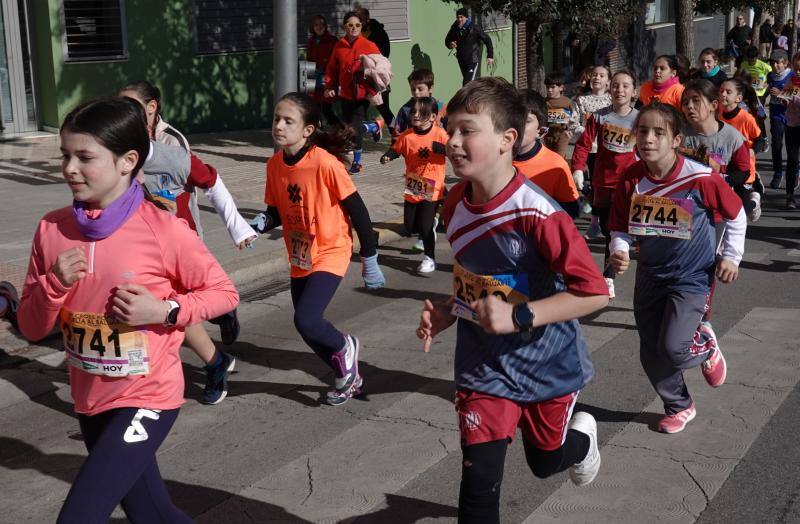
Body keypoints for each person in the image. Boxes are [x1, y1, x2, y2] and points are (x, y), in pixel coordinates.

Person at [16, 96, 239, 522]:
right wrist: (54, 284)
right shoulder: (51, 229)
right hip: (90, 397)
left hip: (149, 396)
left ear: (127, 160)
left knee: (78, 516)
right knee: (151, 513)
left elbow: (224, 293)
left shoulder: (163, 230)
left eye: (84, 157)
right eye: (65, 155)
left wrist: (165, 310)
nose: (69, 169)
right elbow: (30, 326)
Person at [417, 77, 608, 524]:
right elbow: (477, 279)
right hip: (483, 365)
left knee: (546, 462)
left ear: (506, 140)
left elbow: (594, 293)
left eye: (467, 130)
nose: (453, 141)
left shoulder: (538, 212)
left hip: (548, 364)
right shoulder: (454, 204)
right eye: (450, 130)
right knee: (478, 484)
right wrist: (449, 312)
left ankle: (581, 440)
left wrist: (520, 314)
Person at [608, 102, 746, 434]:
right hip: (651, 274)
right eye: (642, 131)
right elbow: (618, 226)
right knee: (650, 349)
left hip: (692, 275)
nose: (649, 139)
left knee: (674, 346)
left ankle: (705, 342)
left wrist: (731, 256)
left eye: (659, 133)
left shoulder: (700, 178)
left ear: (676, 139)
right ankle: (679, 405)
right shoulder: (631, 179)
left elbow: (736, 213)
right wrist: (620, 249)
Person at [119, 80, 255, 405]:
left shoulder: (173, 151)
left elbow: (211, 180)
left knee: (173, 311)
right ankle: (214, 354)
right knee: (169, 311)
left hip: (181, 246)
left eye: (130, 107)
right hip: (141, 250)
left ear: (151, 108)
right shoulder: (114, 155)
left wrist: (239, 228)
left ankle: (215, 352)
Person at [255, 92, 386, 405]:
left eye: (289, 121)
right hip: (300, 253)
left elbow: (359, 211)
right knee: (306, 327)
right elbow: (274, 210)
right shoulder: (275, 165)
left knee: (307, 320)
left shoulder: (325, 164)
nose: (279, 125)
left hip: (332, 249)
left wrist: (369, 257)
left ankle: (344, 348)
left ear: (307, 130)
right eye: (277, 119)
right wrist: (255, 225)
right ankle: (347, 375)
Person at [572, 70, 640, 299]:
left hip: (628, 184)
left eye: (625, 86)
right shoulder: (600, 116)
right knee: (605, 228)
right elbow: (583, 145)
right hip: (603, 181)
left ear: (634, 92)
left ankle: (608, 276)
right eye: (616, 86)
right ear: (610, 89)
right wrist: (578, 169)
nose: (620, 90)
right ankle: (622, 252)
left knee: (615, 229)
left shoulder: (640, 119)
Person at [380, 97, 448, 273]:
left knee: (425, 228)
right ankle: (432, 221)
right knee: (409, 226)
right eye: (414, 112)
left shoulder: (440, 134)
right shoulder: (407, 136)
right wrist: (388, 156)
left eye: (422, 112)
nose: (416, 115)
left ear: (433, 117)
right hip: (413, 186)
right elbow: (397, 149)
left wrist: (443, 149)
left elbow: (456, 149)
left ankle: (429, 258)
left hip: (433, 187)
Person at [680, 79, 758, 221]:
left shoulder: (733, 137)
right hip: (686, 206)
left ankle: (752, 202)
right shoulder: (678, 136)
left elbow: (744, 172)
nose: (690, 106)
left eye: (696, 101)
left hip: (721, 208)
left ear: (713, 105)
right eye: (685, 103)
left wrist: (722, 179)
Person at [324, 11, 385, 174]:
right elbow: (332, 69)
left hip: (362, 93)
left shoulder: (369, 45)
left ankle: (357, 161)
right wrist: (329, 87)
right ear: (345, 26)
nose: (354, 28)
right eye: (350, 25)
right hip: (345, 93)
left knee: (354, 128)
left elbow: (382, 66)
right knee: (348, 128)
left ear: (361, 26)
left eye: (357, 25)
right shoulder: (339, 46)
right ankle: (373, 126)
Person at [513, 88, 580, 218]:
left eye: (526, 121)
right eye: (512, 118)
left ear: (540, 130)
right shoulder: (492, 159)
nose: (518, 125)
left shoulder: (556, 164)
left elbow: (571, 211)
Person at [573, 65, 613, 235]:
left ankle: (607, 218)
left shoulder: (612, 101)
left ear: (608, 81)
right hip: (589, 150)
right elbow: (573, 123)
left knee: (605, 186)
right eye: (594, 75)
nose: (597, 78)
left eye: (601, 75)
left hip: (609, 150)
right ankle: (594, 221)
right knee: (594, 185)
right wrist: (588, 131)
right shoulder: (582, 100)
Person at [718, 78, 765, 221]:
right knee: (725, 208)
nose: (723, 94)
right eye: (721, 91)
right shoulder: (717, 114)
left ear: (738, 98)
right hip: (723, 165)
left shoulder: (746, 118)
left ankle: (754, 202)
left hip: (743, 168)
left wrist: (750, 152)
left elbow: (760, 141)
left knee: (741, 210)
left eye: (728, 92)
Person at [356, 7, 395, 133]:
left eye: (360, 18)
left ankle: (396, 135)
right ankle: (373, 128)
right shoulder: (354, 34)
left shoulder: (378, 32)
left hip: (377, 79)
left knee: (385, 111)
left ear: (367, 19)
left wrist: (371, 62)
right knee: (357, 114)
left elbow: (385, 54)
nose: (358, 22)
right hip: (360, 80)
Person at [444, 7, 494, 86]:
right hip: (461, 59)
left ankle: (467, 98)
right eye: (458, 17)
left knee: (467, 84)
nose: (459, 19)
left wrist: (490, 56)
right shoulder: (455, 28)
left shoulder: (474, 28)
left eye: (461, 17)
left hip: (472, 60)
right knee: (470, 83)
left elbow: (487, 40)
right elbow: (447, 40)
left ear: (466, 18)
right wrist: (450, 44)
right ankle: (478, 96)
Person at [766, 49, 794, 189]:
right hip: (776, 113)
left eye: (778, 63)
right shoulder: (770, 76)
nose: (775, 66)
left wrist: (781, 93)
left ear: (785, 63)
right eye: (773, 63)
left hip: (792, 116)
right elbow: (766, 89)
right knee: (776, 145)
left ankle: (795, 172)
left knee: (792, 148)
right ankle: (777, 173)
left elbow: (796, 96)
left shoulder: (792, 76)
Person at [307, 15, 340, 126]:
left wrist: (331, 79)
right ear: (313, 27)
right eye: (316, 25)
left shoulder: (332, 40)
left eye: (322, 24)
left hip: (327, 78)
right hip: (314, 77)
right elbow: (309, 60)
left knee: (326, 109)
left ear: (325, 26)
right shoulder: (311, 41)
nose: (319, 27)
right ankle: (318, 134)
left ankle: (342, 131)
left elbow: (336, 60)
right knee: (314, 108)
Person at [543, 73, 580, 159]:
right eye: (547, 87)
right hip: (547, 135)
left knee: (559, 158)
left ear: (561, 88)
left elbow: (575, 118)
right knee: (549, 158)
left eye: (552, 87)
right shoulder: (544, 102)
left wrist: (571, 128)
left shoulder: (568, 103)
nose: (549, 90)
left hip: (563, 134)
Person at [780, 51, 800, 209]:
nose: (798, 71)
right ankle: (790, 196)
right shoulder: (791, 80)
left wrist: (792, 97)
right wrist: (782, 98)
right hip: (792, 125)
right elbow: (786, 97)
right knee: (792, 161)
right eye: (796, 68)